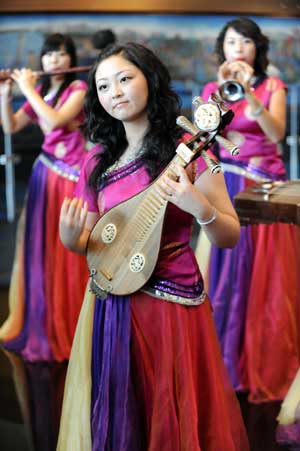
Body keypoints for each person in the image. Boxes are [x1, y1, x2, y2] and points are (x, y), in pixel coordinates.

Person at [56, 42, 249, 451]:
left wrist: (201, 209)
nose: (116, 92)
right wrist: (73, 241)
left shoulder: (191, 148)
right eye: (104, 86)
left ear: (151, 79)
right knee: (124, 412)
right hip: (111, 300)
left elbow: (229, 235)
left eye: (126, 79)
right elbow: (95, 241)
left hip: (170, 306)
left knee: (171, 415)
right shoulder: (97, 161)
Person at [200, 17, 300, 402]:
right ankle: (226, 359)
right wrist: (223, 99)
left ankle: (265, 359)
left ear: (257, 48)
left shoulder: (274, 86)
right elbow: (206, 136)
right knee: (228, 272)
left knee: (266, 275)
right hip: (227, 182)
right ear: (222, 50)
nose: (238, 48)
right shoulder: (214, 88)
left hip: (265, 187)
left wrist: (249, 95)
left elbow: (276, 133)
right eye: (230, 42)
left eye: (245, 41)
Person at [0, 33, 91, 362]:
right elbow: (10, 126)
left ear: (70, 59)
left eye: (62, 54)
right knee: (41, 250)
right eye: (50, 54)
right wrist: (6, 92)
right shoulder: (39, 90)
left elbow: (53, 121)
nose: (55, 60)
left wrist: (25, 89)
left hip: (69, 180)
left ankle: (70, 325)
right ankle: (43, 319)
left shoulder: (77, 90)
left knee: (66, 252)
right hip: (44, 175)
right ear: (43, 59)